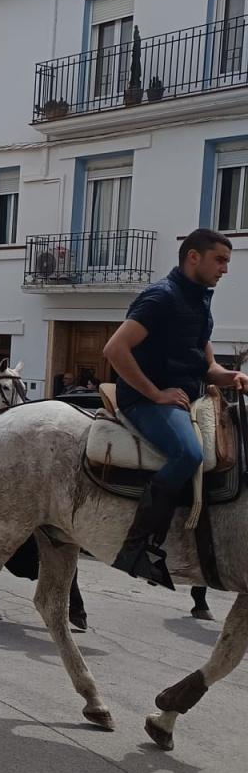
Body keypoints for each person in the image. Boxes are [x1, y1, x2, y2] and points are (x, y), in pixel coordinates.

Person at [104, 228, 248, 588]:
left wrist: (230, 376)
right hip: (144, 401)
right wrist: (154, 393)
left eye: (227, 262)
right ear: (193, 257)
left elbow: (207, 366)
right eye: (220, 260)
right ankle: (137, 548)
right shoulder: (160, 298)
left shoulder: (199, 300)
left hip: (189, 397)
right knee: (189, 453)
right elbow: (115, 350)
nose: (225, 269)